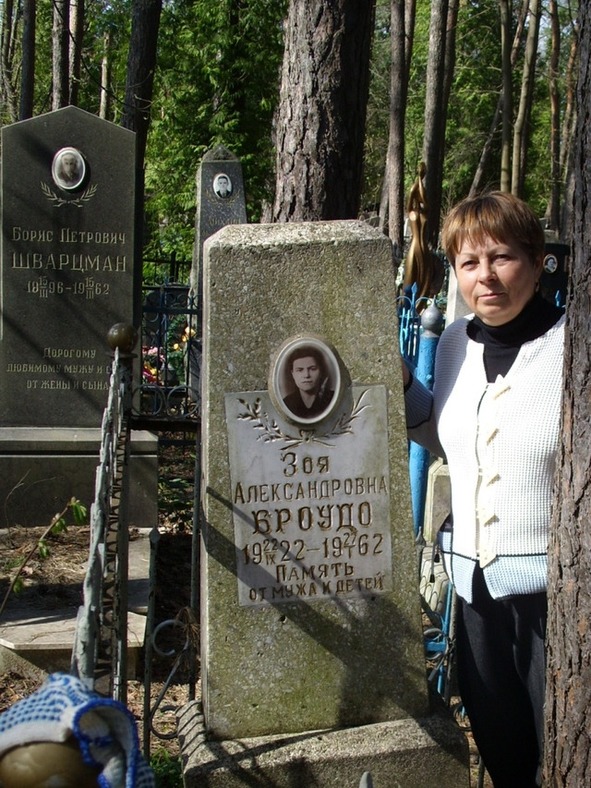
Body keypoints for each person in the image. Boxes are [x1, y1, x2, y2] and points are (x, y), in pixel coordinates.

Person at [402, 191, 564, 787]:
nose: (485, 276)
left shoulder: (573, 347)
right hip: (474, 597)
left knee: (565, 755)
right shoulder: (453, 344)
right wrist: (397, 381)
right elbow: (445, 433)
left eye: (501, 257)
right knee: (503, 753)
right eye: (469, 262)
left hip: (555, 602)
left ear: (537, 260)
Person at [283, 346, 334, 419]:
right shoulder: (286, 404)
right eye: (300, 370)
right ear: (293, 374)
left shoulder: (332, 399)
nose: (306, 375)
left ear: (320, 372)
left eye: (312, 369)